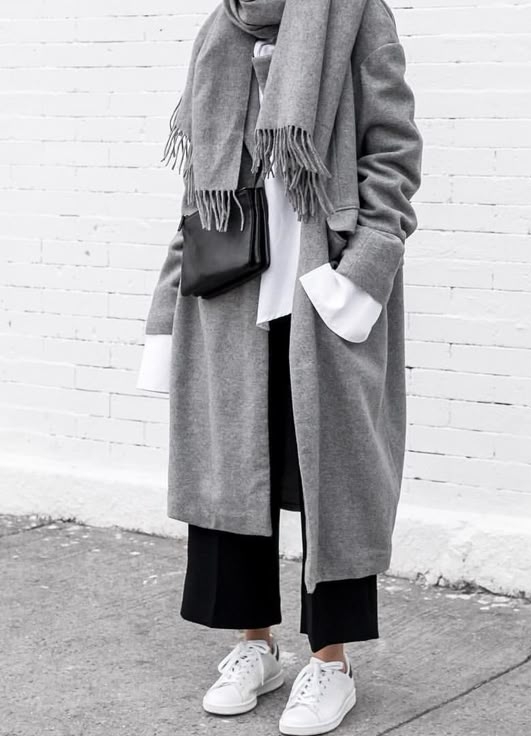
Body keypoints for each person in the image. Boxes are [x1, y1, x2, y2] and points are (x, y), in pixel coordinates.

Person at [137, 0, 422, 733]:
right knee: (233, 481)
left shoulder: (355, 15)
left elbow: (393, 154)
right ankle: (254, 647)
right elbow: (196, 190)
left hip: (324, 297)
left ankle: (331, 663)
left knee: (336, 487)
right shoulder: (222, 30)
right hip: (230, 300)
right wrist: (166, 313)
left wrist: (362, 276)